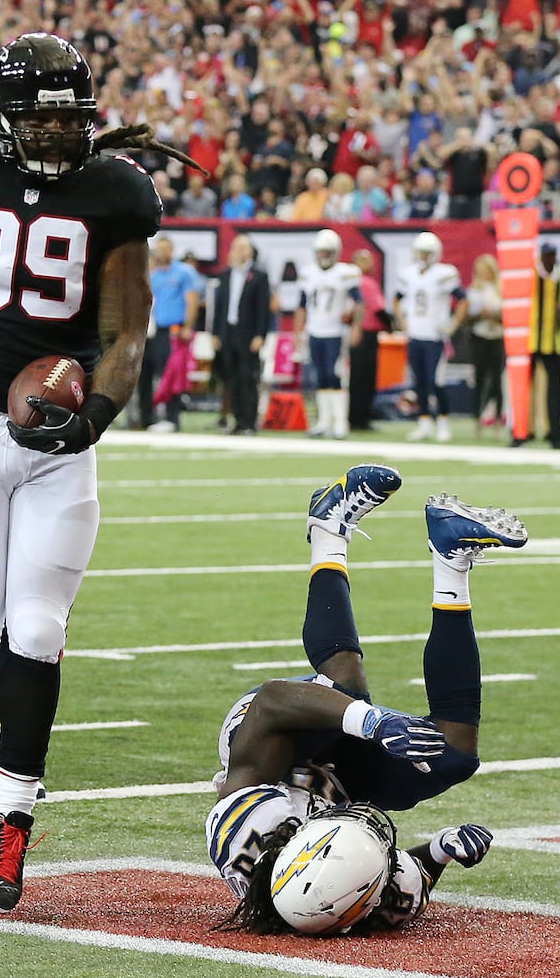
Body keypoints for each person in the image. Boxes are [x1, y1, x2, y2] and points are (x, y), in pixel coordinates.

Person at [0, 33, 186, 913]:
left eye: (69, 114)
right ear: (5, 118)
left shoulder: (118, 192)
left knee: (39, 631)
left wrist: (95, 416)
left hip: (60, 440)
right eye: (40, 115)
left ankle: (13, 823)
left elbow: (128, 329)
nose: (57, 131)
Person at [209, 464, 525, 935]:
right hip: (335, 782)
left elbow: (273, 701)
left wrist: (370, 721)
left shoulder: (248, 829)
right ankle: (451, 556)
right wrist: (440, 850)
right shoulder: (349, 895)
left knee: (345, 690)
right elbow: (402, 876)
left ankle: (329, 529)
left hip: (272, 733)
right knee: (454, 755)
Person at [392, 232, 466, 442]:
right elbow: (397, 300)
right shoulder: (409, 274)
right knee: (420, 383)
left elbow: (463, 299)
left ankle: (443, 423)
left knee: (437, 382)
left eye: (427, 253)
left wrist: (453, 324)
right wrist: (402, 321)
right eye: (420, 253)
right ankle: (424, 423)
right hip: (415, 335)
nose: (423, 257)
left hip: (435, 337)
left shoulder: (443, 274)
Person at [293, 229, 363, 439]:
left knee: (336, 376)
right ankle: (324, 421)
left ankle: (340, 422)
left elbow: (359, 303)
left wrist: (356, 327)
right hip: (315, 330)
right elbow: (301, 306)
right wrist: (298, 331)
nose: (323, 256)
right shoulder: (308, 273)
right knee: (321, 376)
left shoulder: (345, 273)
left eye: (327, 252)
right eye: (321, 252)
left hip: (335, 332)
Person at [212, 234, 272, 436]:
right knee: (232, 378)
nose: (239, 251)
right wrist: (215, 333)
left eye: (243, 247)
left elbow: (264, 309)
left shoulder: (259, 276)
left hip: (248, 333)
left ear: (250, 251)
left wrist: (260, 335)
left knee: (248, 377)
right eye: (236, 247)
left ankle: (249, 421)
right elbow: (219, 307)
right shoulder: (226, 275)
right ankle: (237, 420)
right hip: (228, 331)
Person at [143, 237, 201, 432]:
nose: (162, 253)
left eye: (166, 249)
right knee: (158, 372)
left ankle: (172, 417)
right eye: (159, 249)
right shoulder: (155, 276)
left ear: (172, 250)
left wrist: (188, 326)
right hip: (157, 330)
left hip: (176, 329)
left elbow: (192, 300)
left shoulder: (184, 272)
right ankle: (151, 416)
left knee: (174, 373)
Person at [531, 242, 560, 449]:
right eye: (547, 255)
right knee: (523, 388)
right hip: (529, 340)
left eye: (553, 255)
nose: (550, 259)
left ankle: (555, 432)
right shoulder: (530, 275)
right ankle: (522, 431)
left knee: (555, 391)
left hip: (554, 341)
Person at [348, 249, 388, 432]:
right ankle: (361, 418)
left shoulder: (349, 282)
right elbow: (378, 309)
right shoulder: (365, 283)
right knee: (364, 378)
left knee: (356, 378)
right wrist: (392, 326)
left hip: (353, 332)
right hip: (366, 333)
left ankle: (355, 416)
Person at [466, 255, 505, 435]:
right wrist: (480, 314)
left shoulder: (500, 289)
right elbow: (467, 316)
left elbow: (508, 315)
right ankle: (477, 421)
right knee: (480, 380)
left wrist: (495, 316)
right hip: (480, 336)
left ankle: (497, 420)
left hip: (497, 336)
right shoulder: (473, 290)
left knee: (497, 381)